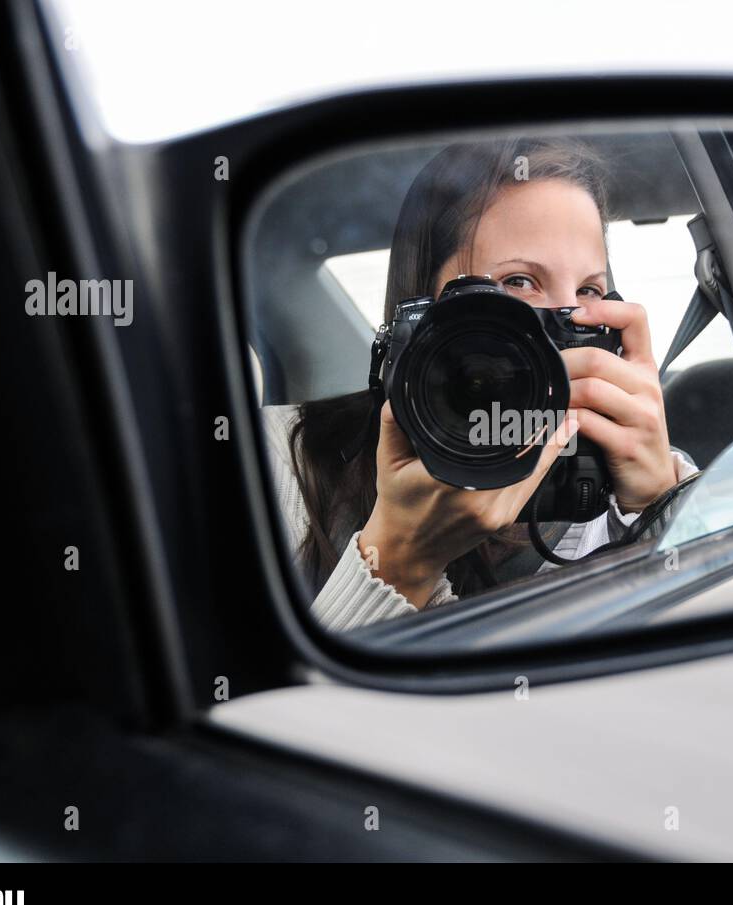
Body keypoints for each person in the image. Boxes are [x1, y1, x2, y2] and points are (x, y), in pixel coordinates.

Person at [263, 137, 696, 630]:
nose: (555, 329)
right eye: (517, 283)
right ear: (419, 310)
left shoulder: (621, 477)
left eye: (587, 292)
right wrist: (400, 560)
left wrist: (659, 510)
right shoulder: (281, 462)